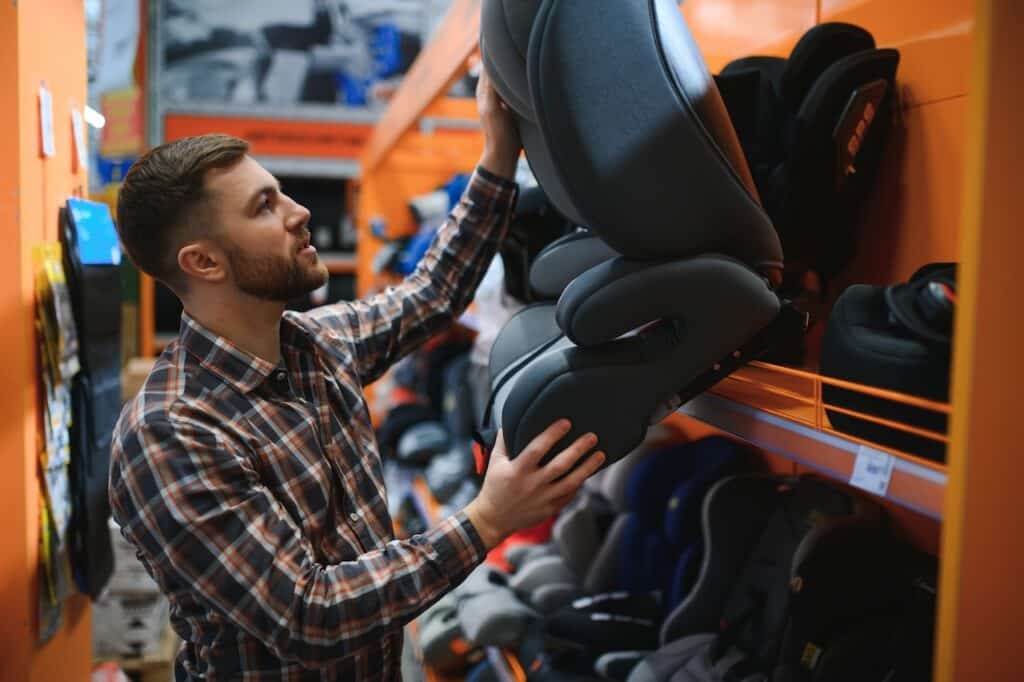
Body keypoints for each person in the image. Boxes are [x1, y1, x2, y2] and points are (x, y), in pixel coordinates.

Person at [108, 66, 606, 681]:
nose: (298, 213)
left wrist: (498, 154)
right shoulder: (171, 432)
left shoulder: (316, 344)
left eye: (280, 192)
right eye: (264, 207)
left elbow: (433, 293)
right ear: (203, 261)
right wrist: (487, 519)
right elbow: (306, 617)